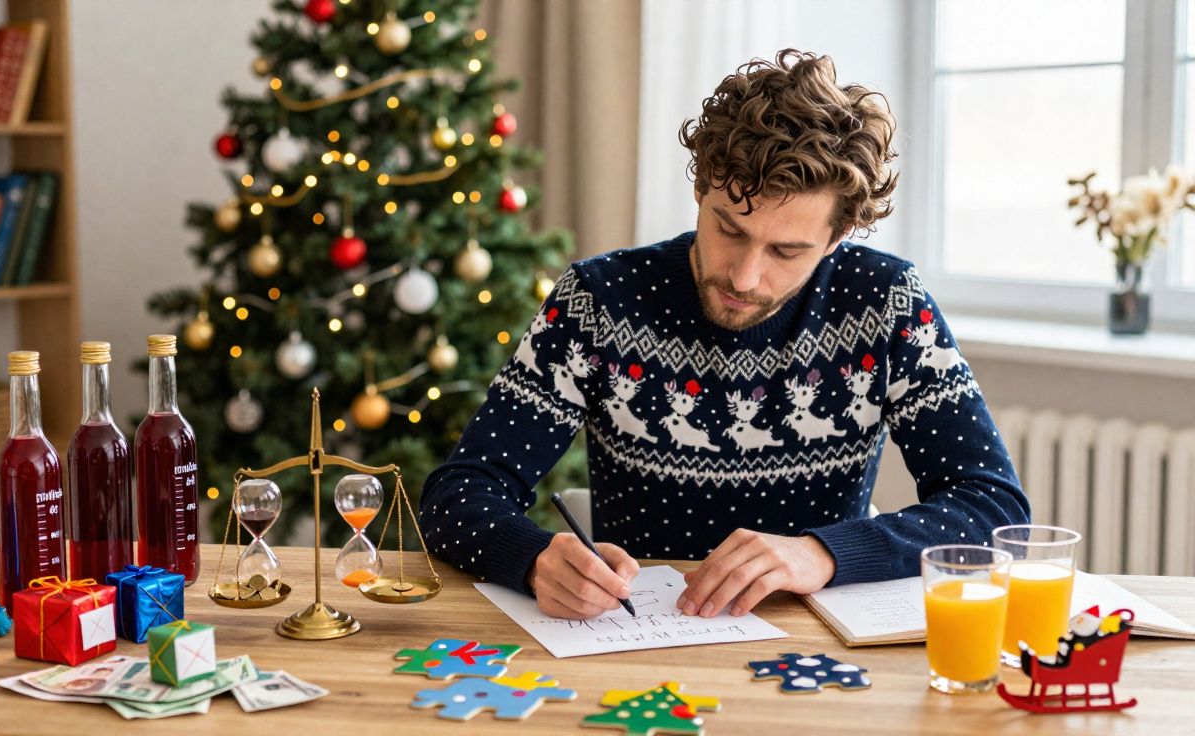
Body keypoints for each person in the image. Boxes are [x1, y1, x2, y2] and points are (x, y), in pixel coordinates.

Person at [418, 49, 1030, 620]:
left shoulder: (886, 301)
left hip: (813, 640)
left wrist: (822, 553)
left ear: (838, 237)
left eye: (787, 250)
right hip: (637, 637)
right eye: (729, 229)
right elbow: (458, 494)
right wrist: (530, 557)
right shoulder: (599, 300)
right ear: (700, 187)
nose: (744, 275)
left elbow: (993, 507)